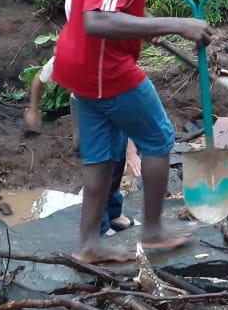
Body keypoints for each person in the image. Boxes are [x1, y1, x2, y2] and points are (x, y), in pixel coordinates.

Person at [52, 0, 214, 264]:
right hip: (104, 67)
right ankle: (154, 230)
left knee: (102, 154)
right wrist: (179, 24)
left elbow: (92, 5)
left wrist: (141, 29)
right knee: (158, 136)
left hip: (75, 62)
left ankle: (89, 242)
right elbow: (98, 18)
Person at [24, 56, 141, 237]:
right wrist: (33, 108)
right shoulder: (63, 57)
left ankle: (114, 213)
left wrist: (131, 150)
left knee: (117, 160)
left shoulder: (110, 52)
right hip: (85, 106)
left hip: (113, 98)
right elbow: (39, 80)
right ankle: (100, 224)